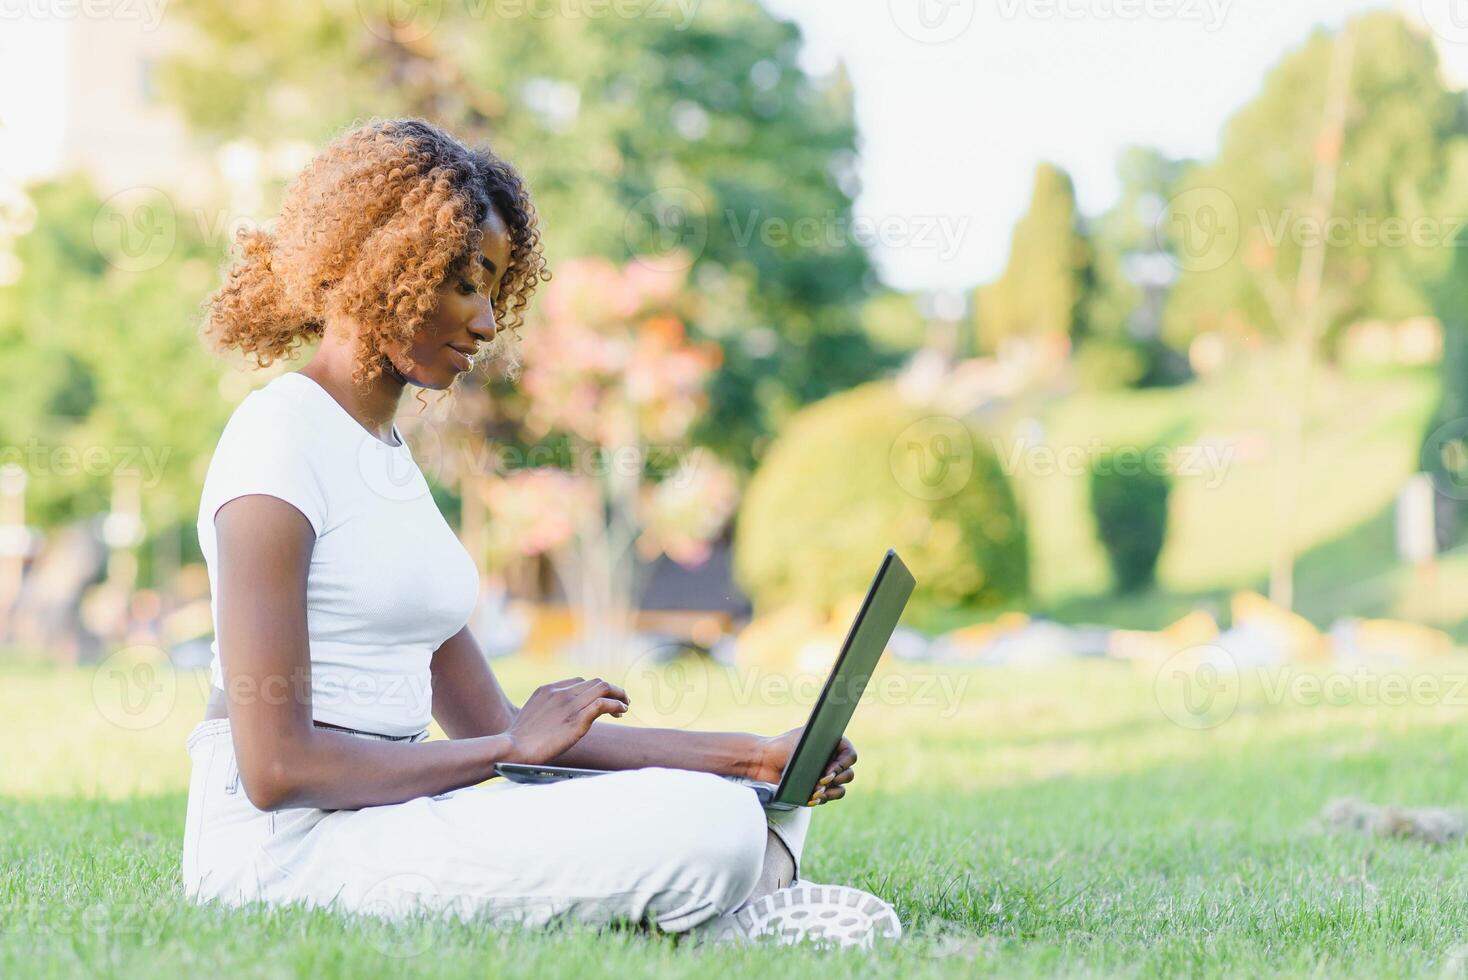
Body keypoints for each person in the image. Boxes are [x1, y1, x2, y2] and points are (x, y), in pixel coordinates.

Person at [182, 118, 901, 948]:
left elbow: (498, 721)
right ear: (386, 266)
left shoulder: (385, 456)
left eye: (495, 290)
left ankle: (718, 884)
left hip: (393, 816)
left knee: (741, 804)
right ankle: (720, 911)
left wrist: (751, 756)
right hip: (280, 856)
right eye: (466, 285)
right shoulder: (279, 439)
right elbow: (277, 771)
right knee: (710, 828)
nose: (487, 324)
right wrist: (503, 750)